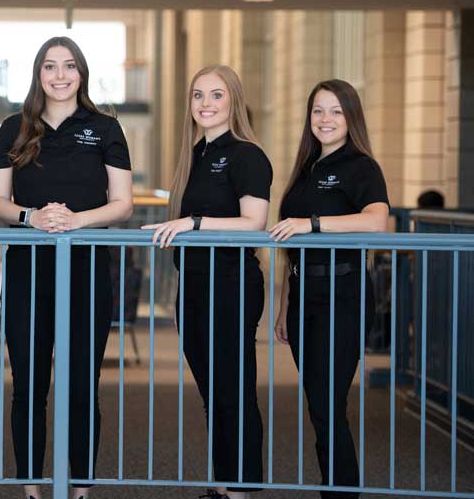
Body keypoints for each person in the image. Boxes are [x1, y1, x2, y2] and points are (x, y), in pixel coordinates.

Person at [0, 37, 133, 499]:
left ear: (82, 73)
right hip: (29, 271)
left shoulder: (106, 127)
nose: (60, 75)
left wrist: (75, 220)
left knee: (83, 383)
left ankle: (80, 488)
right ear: (38, 74)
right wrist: (32, 217)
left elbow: (123, 205)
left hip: (87, 270)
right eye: (50, 67)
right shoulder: (14, 126)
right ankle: (30, 485)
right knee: (28, 381)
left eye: (69, 66)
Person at [143, 65, 271, 499]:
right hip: (195, 284)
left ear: (233, 99)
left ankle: (243, 490)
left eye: (216, 95)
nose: (205, 104)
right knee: (211, 389)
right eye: (198, 95)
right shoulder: (196, 154)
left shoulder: (247, 155)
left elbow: (254, 223)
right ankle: (225, 485)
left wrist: (193, 223)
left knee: (233, 387)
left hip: (232, 285)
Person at [270, 79, 389, 499]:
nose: (325, 119)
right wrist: (285, 305)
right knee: (320, 404)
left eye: (336, 111)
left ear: (351, 117)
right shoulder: (306, 168)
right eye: (318, 110)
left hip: (345, 296)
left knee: (326, 404)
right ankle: (337, 489)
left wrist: (313, 224)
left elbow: (376, 221)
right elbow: (290, 244)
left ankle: (340, 492)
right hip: (304, 297)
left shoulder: (362, 166)